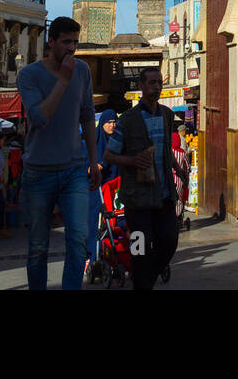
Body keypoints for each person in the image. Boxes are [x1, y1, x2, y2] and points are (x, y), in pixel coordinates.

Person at [15, 16, 100, 290]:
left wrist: (94, 161)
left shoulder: (83, 71)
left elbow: (87, 115)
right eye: (66, 42)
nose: (72, 48)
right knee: (38, 246)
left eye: (75, 42)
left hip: (74, 169)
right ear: (51, 42)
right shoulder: (28, 75)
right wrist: (63, 79)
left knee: (78, 240)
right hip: (38, 173)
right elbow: (40, 118)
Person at [104, 68, 188, 290]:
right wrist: (132, 161)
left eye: (159, 82)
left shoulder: (167, 115)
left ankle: (144, 281)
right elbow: (109, 155)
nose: (157, 87)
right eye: (152, 82)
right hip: (137, 201)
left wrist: (177, 169)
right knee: (140, 250)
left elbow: (165, 153)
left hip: (164, 197)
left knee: (169, 242)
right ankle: (142, 281)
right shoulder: (128, 120)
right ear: (141, 86)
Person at [87, 108, 119, 269]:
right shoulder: (96, 142)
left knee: (117, 222)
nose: (112, 125)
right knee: (97, 223)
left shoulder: (118, 141)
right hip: (99, 190)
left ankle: (116, 255)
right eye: (109, 122)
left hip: (116, 189)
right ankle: (94, 257)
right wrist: (95, 167)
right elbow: (89, 164)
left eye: (114, 122)